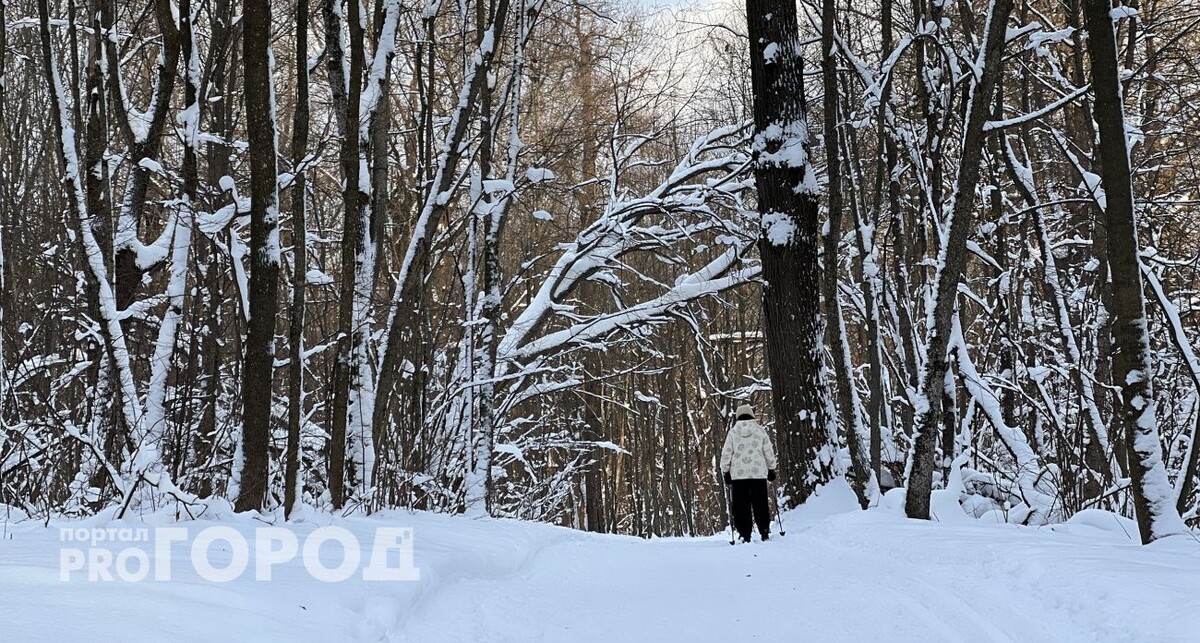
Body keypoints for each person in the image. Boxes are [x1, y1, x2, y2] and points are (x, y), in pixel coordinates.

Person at [720, 403, 777, 543]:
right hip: (758, 475)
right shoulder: (760, 431)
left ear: (738, 417)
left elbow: (726, 454)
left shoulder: (733, 433)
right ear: (751, 415)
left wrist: (725, 471)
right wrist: (771, 469)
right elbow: (768, 451)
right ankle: (764, 531)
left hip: (738, 476)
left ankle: (745, 533)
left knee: (741, 506)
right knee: (760, 504)